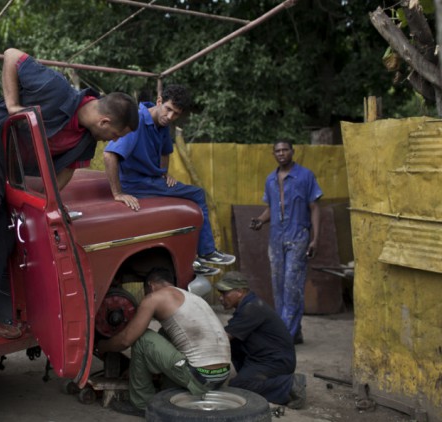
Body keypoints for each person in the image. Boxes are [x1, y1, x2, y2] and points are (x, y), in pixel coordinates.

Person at [0, 47, 139, 360]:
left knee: (1, 242)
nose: (110, 141)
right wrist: (12, 105)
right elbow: (10, 55)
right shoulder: (55, 89)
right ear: (105, 120)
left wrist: (44, 204)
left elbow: (64, 174)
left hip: (11, 170)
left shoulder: (86, 137)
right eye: (114, 134)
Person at [103, 85, 235, 277]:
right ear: (159, 101)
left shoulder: (163, 125)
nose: (171, 116)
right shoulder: (138, 121)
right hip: (137, 183)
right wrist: (118, 193)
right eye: (168, 109)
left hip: (152, 180)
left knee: (182, 205)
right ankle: (207, 251)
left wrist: (163, 173)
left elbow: (166, 152)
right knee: (198, 194)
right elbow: (109, 155)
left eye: (176, 114)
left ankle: (193, 259)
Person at [97, 267, 231, 417]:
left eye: (145, 290)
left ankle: (142, 404)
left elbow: (126, 340)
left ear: (151, 285)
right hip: (220, 378)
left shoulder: (154, 297)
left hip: (199, 378)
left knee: (142, 337)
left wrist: (103, 346)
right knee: (164, 333)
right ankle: (169, 388)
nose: (145, 294)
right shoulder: (194, 299)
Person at [249, 140, 322, 344]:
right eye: (278, 151)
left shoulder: (305, 176)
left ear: (292, 152)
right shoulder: (271, 179)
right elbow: (272, 208)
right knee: (279, 286)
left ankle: (284, 336)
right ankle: (293, 332)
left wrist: (315, 239)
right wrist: (260, 221)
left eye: (285, 150)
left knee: (292, 285)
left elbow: (315, 208)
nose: (281, 153)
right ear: (273, 154)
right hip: (276, 238)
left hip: (298, 236)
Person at [216, 271, 306, 409]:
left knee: (239, 387)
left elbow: (222, 338)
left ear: (240, 292)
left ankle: (289, 385)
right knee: (235, 341)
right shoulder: (249, 305)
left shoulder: (252, 309)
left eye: (225, 293)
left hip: (277, 361)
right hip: (266, 358)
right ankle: (253, 377)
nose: (221, 298)